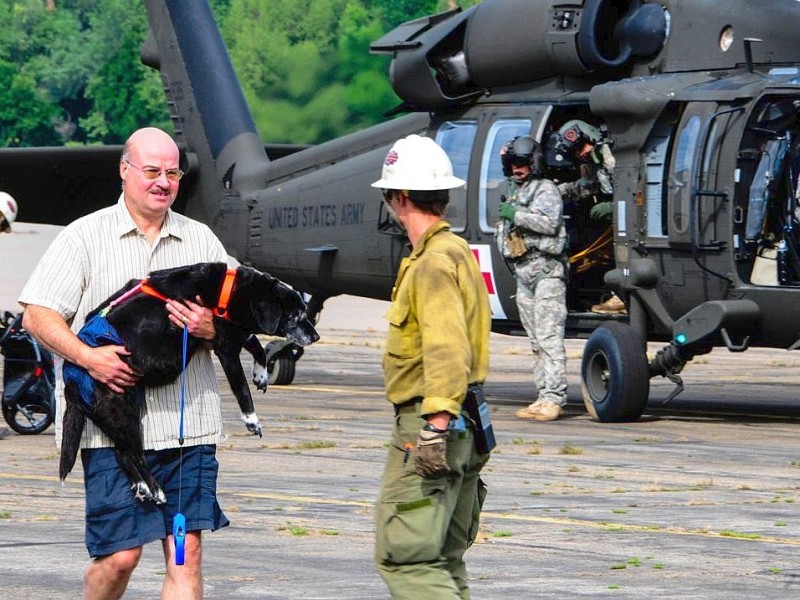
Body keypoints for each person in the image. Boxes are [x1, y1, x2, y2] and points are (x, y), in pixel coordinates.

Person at [19, 127, 229, 600]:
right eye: (152, 171)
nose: (163, 182)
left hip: (186, 432)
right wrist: (88, 357)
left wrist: (210, 328)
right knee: (119, 558)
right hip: (112, 434)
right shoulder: (84, 237)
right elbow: (38, 314)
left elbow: (237, 321)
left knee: (184, 552)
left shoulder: (202, 242)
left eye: (172, 173)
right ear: (125, 170)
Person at [371, 134, 492, 599]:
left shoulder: (432, 264)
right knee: (440, 557)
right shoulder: (456, 251)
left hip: (433, 419)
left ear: (398, 198)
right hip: (468, 417)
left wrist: (435, 425)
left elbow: (446, 346)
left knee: (407, 557)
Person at [496, 135, 569, 422]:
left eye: (522, 164)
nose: (517, 169)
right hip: (524, 272)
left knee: (550, 338)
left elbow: (550, 224)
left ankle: (555, 398)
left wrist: (517, 215)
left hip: (546, 272)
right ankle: (542, 395)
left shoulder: (545, 190)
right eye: (513, 164)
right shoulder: (516, 190)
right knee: (536, 340)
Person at [548, 119, 625, 315]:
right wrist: (549, 193)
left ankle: (624, 296)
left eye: (580, 147)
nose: (579, 153)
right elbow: (584, 186)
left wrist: (615, 207)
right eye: (575, 152)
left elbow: (637, 186)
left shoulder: (612, 153)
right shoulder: (592, 162)